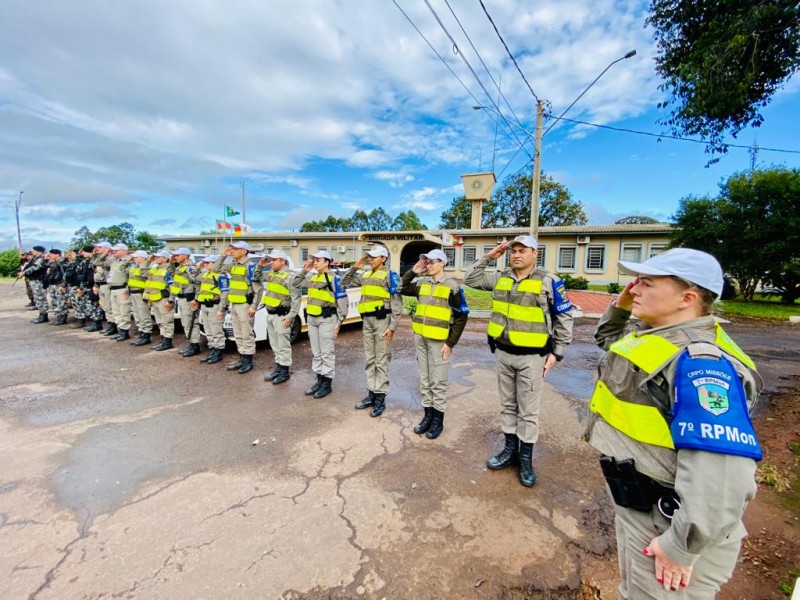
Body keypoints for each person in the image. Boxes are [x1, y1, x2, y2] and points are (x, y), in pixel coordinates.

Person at [584, 248, 762, 598]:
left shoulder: (702, 365)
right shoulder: (654, 335)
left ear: (687, 298)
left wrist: (681, 546)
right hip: (641, 507)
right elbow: (608, 339)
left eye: (646, 283)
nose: (634, 288)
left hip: (670, 524)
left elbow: (722, 476)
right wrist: (622, 305)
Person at [463, 235, 573, 487]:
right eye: (513, 251)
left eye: (523, 250)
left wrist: (557, 352)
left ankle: (525, 459)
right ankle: (509, 451)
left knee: (528, 411)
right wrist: (491, 255)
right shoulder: (501, 277)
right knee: (508, 405)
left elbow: (564, 317)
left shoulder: (549, 281)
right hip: (503, 353)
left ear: (536, 253)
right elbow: (470, 279)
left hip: (532, 358)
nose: (516, 255)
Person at [400, 249, 469, 439]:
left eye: (432, 262)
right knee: (425, 379)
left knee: (437, 382)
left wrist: (451, 343)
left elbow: (462, 316)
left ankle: (438, 421)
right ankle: (427, 416)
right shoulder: (421, 283)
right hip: (421, 339)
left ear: (442, 264)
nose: (428, 265)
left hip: (440, 342)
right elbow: (400, 287)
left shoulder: (452, 287)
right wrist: (413, 271)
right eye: (427, 262)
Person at [341, 245, 403, 417]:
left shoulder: (391, 276)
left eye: (374, 257)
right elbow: (343, 282)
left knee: (381, 359)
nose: (370, 259)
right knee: (370, 359)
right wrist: (355, 266)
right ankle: (371, 394)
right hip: (367, 321)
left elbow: (398, 304)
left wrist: (392, 327)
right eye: (369, 256)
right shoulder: (365, 274)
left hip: (383, 321)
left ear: (383, 258)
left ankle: (380, 398)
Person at [292, 250, 349, 398]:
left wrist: (339, 322)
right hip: (312, 319)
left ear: (327, 262)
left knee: (326, 353)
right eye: (314, 260)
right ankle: (319, 380)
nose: (315, 262)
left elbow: (343, 303)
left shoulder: (335, 279)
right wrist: (305, 270)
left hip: (327, 320)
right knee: (316, 353)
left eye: (318, 260)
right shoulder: (312, 277)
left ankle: (326, 383)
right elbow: (296, 283)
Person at [254, 250, 302, 385]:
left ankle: (284, 371)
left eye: (274, 260)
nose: (271, 263)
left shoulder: (291, 277)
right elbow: (256, 276)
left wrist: (291, 316)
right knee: (274, 344)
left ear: (282, 261)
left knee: (283, 345)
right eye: (270, 260)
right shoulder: (271, 274)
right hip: (270, 314)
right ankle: (278, 367)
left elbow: (296, 299)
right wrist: (260, 265)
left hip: (282, 316)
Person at [213, 242, 258, 374]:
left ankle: (248, 361)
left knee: (246, 334)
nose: (232, 250)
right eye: (232, 248)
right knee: (238, 334)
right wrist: (223, 255)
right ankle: (242, 358)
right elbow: (215, 269)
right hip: (234, 304)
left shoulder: (250, 266)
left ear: (244, 251)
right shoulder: (233, 264)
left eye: (236, 249)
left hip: (245, 305)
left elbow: (258, 288)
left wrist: (254, 306)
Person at [192, 255, 226, 364]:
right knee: (208, 330)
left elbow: (225, 293)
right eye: (204, 263)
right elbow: (192, 277)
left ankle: (218, 351)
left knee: (216, 330)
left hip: (215, 305)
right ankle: (212, 349)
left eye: (207, 263)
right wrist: (199, 266)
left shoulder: (221, 276)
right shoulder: (205, 274)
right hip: (204, 305)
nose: (205, 265)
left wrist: (221, 308)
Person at [169, 247, 201, 357]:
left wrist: (195, 299)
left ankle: (195, 345)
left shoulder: (191, 268)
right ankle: (191, 344)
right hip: (182, 298)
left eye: (178, 255)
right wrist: (171, 262)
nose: (175, 257)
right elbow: (172, 275)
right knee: (185, 323)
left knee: (191, 323)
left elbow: (198, 284)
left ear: (186, 256)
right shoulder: (180, 268)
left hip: (189, 299)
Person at [143, 249, 174, 351]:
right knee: (160, 321)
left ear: (165, 258)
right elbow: (142, 272)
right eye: (155, 256)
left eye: (158, 257)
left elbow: (172, 286)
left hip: (164, 298)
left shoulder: (168, 269)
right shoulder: (154, 268)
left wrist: (170, 300)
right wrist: (148, 261)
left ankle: (168, 341)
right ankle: (163, 339)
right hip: (154, 297)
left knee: (166, 320)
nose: (155, 258)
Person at [107, 243, 134, 341]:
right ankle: (120, 330)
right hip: (113, 288)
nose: (114, 252)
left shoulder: (129, 261)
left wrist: (127, 289)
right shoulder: (115, 262)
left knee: (124, 311)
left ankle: (124, 331)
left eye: (117, 250)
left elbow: (131, 276)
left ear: (123, 251)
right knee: (116, 311)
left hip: (122, 288)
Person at [127, 251, 154, 345]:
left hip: (141, 293)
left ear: (143, 258)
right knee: (137, 314)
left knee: (143, 314)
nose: (134, 258)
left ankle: (146, 335)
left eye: (137, 257)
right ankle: (141, 332)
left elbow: (148, 281)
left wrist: (148, 296)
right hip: (133, 293)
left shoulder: (146, 268)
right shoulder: (134, 267)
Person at [91, 241, 116, 336]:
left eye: (100, 247)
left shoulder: (111, 258)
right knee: (105, 306)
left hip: (107, 284)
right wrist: (95, 255)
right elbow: (94, 263)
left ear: (106, 248)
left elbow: (99, 263)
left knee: (109, 307)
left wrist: (104, 253)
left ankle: (113, 326)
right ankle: (110, 325)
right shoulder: (101, 258)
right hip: (101, 284)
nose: (97, 249)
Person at [23, 246, 50, 323]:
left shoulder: (41, 259)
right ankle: (41, 314)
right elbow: (28, 266)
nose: (32, 252)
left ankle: (44, 316)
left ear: (39, 251)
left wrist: (24, 273)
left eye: (34, 250)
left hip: (39, 281)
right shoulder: (34, 258)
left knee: (41, 298)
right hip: (34, 280)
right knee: (37, 298)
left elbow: (34, 268)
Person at [45, 249, 68, 326]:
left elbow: (65, 274)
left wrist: (64, 285)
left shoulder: (62, 262)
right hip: (53, 284)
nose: (50, 255)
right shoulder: (52, 262)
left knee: (61, 302)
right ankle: (58, 316)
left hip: (59, 284)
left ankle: (63, 317)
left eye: (51, 254)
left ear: (57, 254)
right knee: (54, 301)